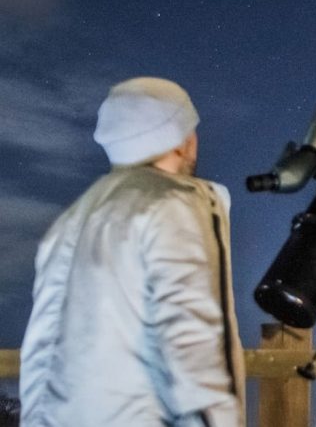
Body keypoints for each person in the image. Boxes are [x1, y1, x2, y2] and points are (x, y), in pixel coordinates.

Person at [19, 77, 245, 426]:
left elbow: (39, 359)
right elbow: (198, 354)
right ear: (183, 141)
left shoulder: (69, 221)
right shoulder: (179, 202)